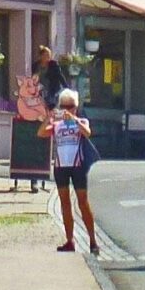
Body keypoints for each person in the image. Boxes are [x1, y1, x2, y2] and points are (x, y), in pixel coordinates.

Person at [41, 88, 99, 257]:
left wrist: (73, 119)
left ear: (76, 107)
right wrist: (49, 117)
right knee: (65, 203)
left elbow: (87, 133)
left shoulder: (81, 120)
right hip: (61, 167)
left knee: (83, 202)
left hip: (78, 166)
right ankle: (69, 240)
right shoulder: (57, 125)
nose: (67, 109)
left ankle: (93, 241)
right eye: (64, 106)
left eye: (71, 106)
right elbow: (41, 132)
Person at [32, 46, 68, 116]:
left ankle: (51, 117)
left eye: (49, 55)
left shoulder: (53, 64)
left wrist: (65, 86)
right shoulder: (35, 65)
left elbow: (59, 75)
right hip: (39, 89)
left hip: (51, 88)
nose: (48, 57)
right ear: (41, 56)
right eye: (46, 55)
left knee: (51, 104)